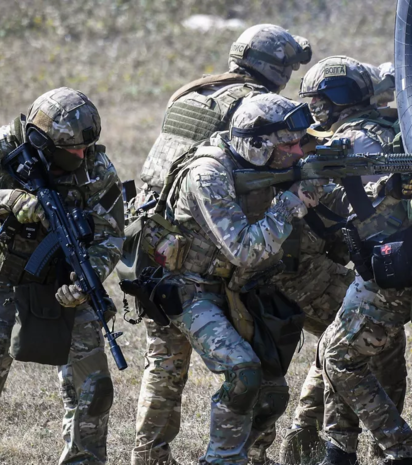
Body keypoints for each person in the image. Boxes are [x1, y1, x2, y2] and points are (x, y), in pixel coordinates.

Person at [129, 24, 312, 465]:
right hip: (186, 271)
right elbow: (244, 242)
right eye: (288, 146)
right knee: (212, 367)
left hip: (165, 248)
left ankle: (154, 457)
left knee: (168, 368)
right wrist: (289, 204)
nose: (296, 152)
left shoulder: (196, 94)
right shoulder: (247, 114)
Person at [0, 87, 125, 465]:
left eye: (85, 148)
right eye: (71, 148)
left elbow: (111, 234)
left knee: (95, 387)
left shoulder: (95, 166)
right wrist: (7, 199)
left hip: (61, 277)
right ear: (41, 140)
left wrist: (85, 281)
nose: (81, 155)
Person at [279, 56, 405, 465]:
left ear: (335, 99)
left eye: (317, 102)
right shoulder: (386, 127)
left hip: (384, 266)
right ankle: (334, 448)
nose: (314, 112)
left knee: (340, 354)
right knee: (343, 345)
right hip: (392, 263)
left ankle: (393, 452)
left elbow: (353, 207)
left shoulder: (352, 142)